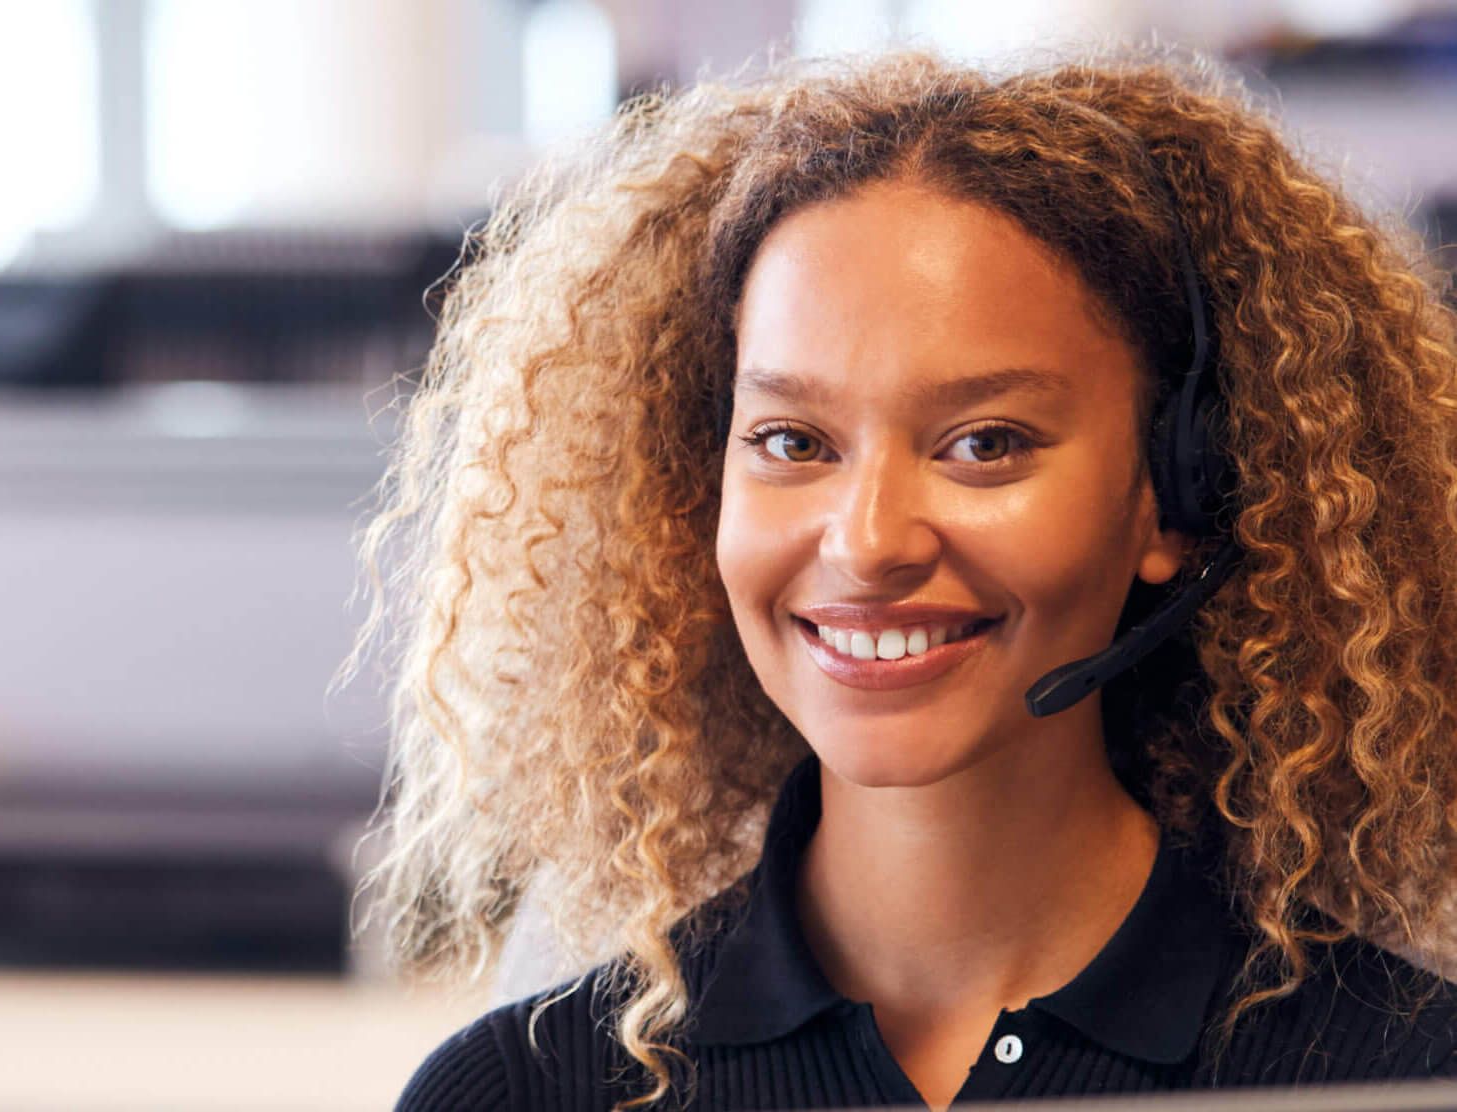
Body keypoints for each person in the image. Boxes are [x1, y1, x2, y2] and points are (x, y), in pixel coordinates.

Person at [364, 45, 1457, 1111]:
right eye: (794, 441)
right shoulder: (535, 1085)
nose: (869, 540)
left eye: (984, 442)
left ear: (1172, 496)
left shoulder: (1396, 1069)